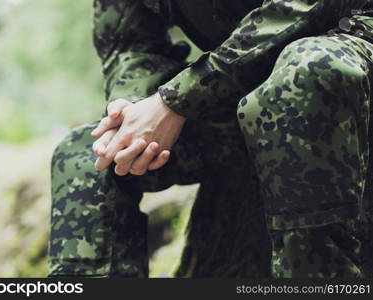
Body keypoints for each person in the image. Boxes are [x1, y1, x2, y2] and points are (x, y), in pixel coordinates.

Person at [48, 0, 373, 278]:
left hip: (346, 53)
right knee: (87, 154)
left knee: (306, 69)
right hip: (234, 89)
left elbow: (305, 8)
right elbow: (129, 44)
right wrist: (133, 108)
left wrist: (175, 100)